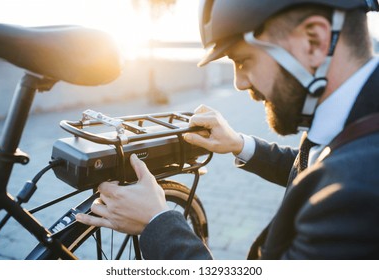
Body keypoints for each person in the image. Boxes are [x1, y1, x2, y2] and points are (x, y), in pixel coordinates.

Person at [76, 0, 379, 259]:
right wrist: (239, 144)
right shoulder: (355, 118)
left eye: (244, 60)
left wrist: (157, 222)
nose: (240, 83)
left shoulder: (359, 190)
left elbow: (338, 179)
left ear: (313, 42)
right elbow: (315, 169)